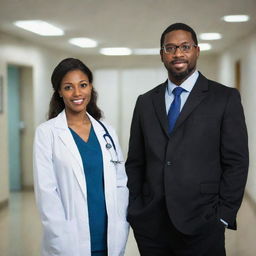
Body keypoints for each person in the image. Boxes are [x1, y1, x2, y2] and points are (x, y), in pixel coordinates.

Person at [125, 23, 249, 256]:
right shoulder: (145, 102)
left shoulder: (224, 98)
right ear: (162, 54)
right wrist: (135, 209)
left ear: (197, 51)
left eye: (185, 47)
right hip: (152, 226)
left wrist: (223, 216)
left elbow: (237, 162)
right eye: (170, 48)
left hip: (203, 223)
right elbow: (135, 162)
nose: (178, 54)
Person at [33, 58, 129, 256]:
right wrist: (60, 237)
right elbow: (46, 193)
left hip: (109, 236)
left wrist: (121, 224)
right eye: (68, 87)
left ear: (91, 87)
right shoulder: (47, 133)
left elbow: (121, 183)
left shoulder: (106, 131)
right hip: (69, 240)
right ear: (59, 92)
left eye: (83, 85)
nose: (77, 93)